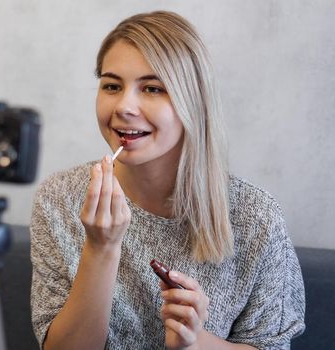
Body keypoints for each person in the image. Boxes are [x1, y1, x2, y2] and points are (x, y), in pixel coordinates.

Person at [30, 10, 305, 350]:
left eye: (152, 88)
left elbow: (269, 345)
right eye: (112, 86)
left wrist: (196, 342)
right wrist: (101, 249)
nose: (125, 106)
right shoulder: (59, 199)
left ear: (192, 100)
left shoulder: (255, 216)